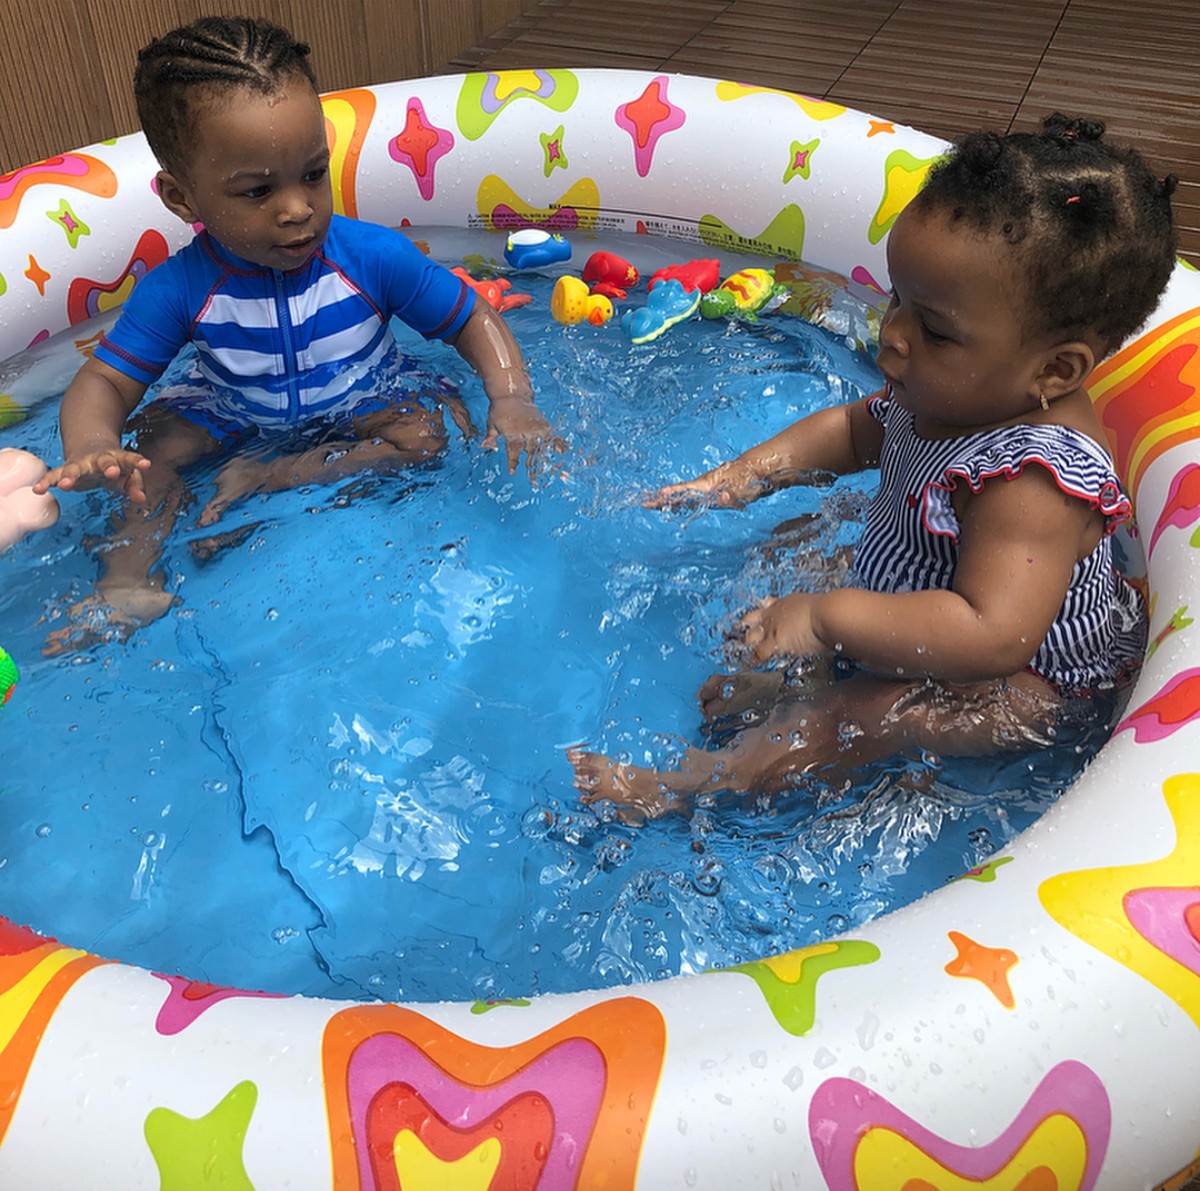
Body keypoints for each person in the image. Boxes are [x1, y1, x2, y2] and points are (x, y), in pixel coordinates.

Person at [571, 114, 1178, 825]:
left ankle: (693, 788)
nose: (890, 333)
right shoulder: (958, 391)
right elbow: (856, 431)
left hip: (1022, 688)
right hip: (941, 604)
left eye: (935, 329)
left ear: (1056, 368)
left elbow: (991, 634)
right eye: (896, 299)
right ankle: (802, 676)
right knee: (808, 542)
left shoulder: (1034, 479)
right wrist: (744, 475)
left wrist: (829, 621)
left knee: (866, 712)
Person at [33, 15, 549, 651]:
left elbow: (471, 317)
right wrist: (93, 445)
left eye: (312, 173)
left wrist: (512, 397)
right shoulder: (180, 289)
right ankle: (127, 583)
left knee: (428, 435)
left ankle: (271, 478)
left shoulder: (371, 258)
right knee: (147, 456)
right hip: (230, 409)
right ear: (181, 197)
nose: (297, 208)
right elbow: (105, 380)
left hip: (366, 396)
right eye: (257, 191)